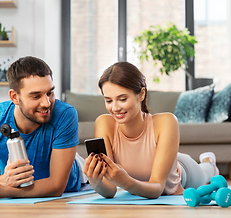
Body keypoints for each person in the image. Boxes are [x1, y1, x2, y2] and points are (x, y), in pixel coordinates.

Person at [83, 61, 219, 199]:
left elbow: (157, 188)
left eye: (122, 99)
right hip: (149, 173)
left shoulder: (166, 121)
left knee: (205, 173)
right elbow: (110, 190)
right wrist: (96, 181)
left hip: (182, 171)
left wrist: (126, 182)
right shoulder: (104, 123)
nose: (115, 108)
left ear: (141, 94)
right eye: (109, 101)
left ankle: (210, 163)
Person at [0, 56, 84, 200]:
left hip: (76, 180)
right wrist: (3, 180)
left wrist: (3, 190)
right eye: (36, 96)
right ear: (14, 97)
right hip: (18, 186)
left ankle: (75, 156)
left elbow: (56, 187)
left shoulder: (65, 113)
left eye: (50, 93)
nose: (47, 103)